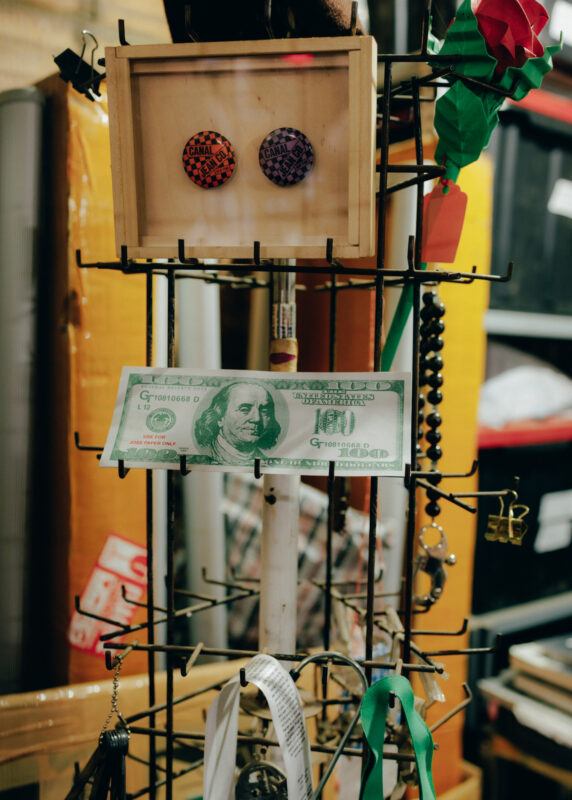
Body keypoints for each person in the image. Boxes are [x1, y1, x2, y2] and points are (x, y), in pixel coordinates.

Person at [195, 382, 281, 465]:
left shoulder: (266, 461)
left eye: (264, 411)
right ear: (220, 417)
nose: (257, 419)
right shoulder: (204, 455)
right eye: (244, 410)